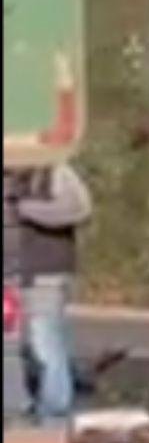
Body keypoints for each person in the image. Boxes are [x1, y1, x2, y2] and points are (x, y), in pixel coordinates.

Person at [14, 163, 92, 424]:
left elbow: (81, 208)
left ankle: (55, 418)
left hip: (46, 273)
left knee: (47, 346)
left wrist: (27, 210)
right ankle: (25, 413)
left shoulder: (55, 171)